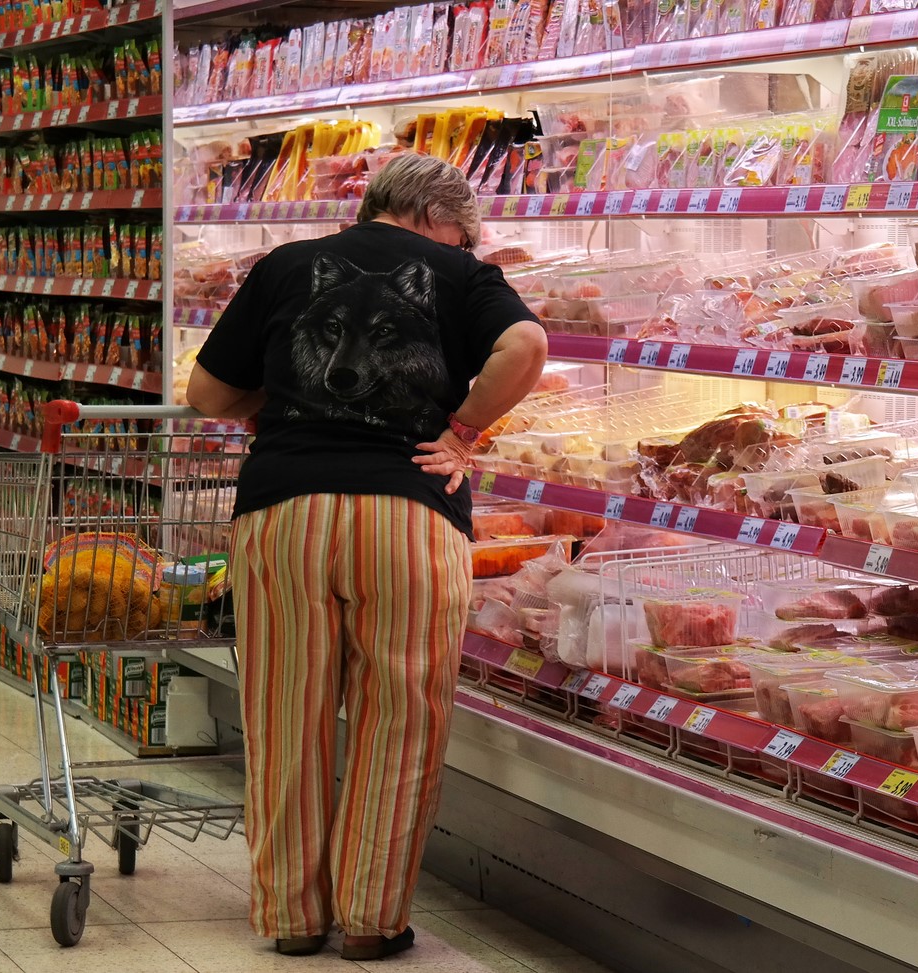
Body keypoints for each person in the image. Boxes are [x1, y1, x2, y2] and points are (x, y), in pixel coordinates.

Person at [185, 153, 547, 961]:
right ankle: (370, 920)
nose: (464, 242)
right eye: (463, 231)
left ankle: (290, 918)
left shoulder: (283, 266)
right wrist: (461, 431)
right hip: (409, 519)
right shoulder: (461, 272)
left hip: (285, 512)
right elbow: (525, 344)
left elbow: (206, 394)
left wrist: (284, 405)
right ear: (437, 217)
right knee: (400, 718)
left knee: (286, 719)